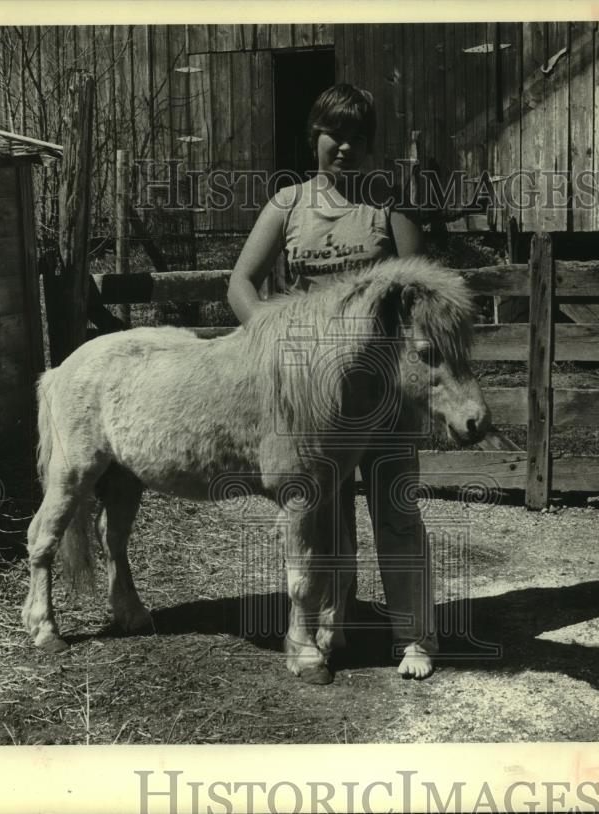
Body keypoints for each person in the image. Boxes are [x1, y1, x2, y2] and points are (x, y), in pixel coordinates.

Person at [228, 83, 437, 679]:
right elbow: (241, 284)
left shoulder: (387, 207)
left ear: (370, 145)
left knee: (395, 509)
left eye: (357, 138)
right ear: (313, 137)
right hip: (315, 396)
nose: (344, 148)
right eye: (333, 135)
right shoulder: (288, 205)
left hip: (385, 393)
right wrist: (276, 339)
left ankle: (412, 637)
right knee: (322, 511)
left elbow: (420, 292)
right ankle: (329, 622)